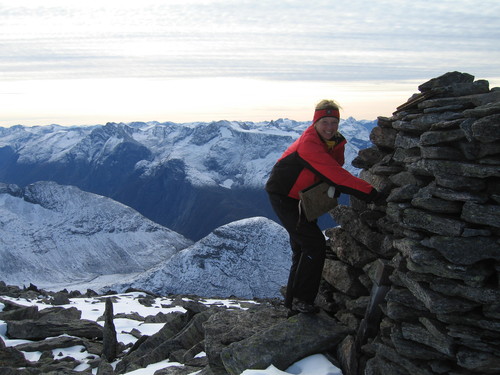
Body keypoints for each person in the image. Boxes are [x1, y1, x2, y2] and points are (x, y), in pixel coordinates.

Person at [265, 99, 381, 314]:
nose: (329, 127)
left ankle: (292, 302)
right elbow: (337, 175)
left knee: (302, 247)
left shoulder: (334, 141)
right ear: (315, 122)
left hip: (304, 196)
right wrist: (371, 193)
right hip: (284, 196)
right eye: (324, 122)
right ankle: (301, 300)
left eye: (334, 122)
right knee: (314, 244)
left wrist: (330, 186)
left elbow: (333, 169)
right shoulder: (309, 144)